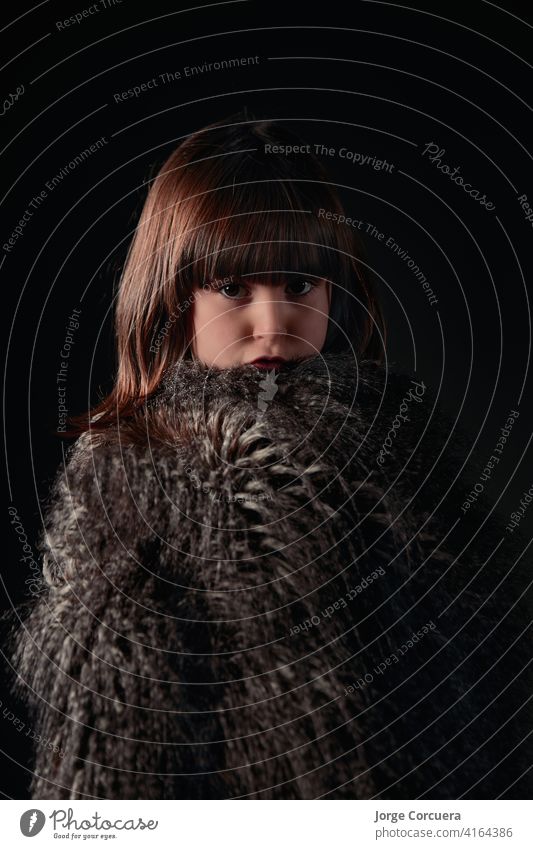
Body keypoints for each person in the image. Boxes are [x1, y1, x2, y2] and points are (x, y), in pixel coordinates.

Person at [3, 112, 532, 800]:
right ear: (174, 299)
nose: (273, 322)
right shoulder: (135, 479)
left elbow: (487, 685)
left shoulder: (394, 448)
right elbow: (110, 751)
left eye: (299, 286)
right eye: (233, 289)